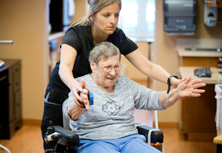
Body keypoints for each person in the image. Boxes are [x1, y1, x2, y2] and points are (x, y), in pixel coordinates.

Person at [41, 0, 185, 150]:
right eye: (106, 15)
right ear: (92, 16)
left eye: (116, 15)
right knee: (54, 144)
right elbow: (65, 66)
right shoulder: (77, 33)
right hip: (64, 88)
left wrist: (173, 81)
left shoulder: (117, 36)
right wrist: (74, 86)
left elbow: (148, 66)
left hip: (95, 90)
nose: (113, 20)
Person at [63, 42, 206, 153]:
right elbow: (71, 113)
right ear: (93, 66)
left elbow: (154, 99)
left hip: (130, 140)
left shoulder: (126, 84)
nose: (113, 73)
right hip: (94, 141)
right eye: (107, 67)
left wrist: (175, 94)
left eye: (116, 66)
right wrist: (80, 103)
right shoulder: (80, 85)